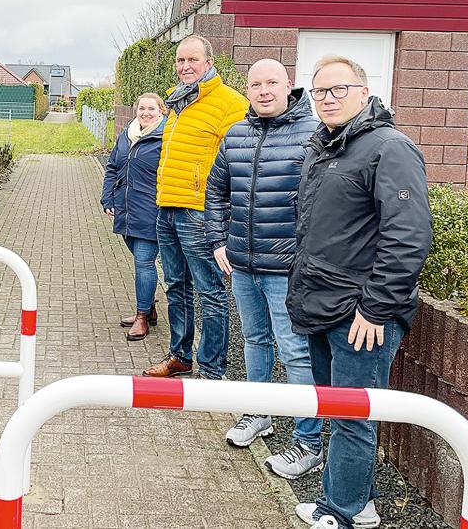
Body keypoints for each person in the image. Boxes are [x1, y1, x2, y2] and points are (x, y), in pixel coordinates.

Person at [286, 56, 432, 529]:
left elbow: (408, 235)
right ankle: (358, 503)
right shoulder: (323, 146)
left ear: (363, 93)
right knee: (337, 406)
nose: (327, 98)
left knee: (353, 415)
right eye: (320, 91)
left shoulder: (389, 148)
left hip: (360, 315)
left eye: (338, 89)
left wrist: (375, 308)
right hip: (322, 305)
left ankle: (339, 512)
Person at [205, 58, 325, 478]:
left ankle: (308, 442)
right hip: (242, 264)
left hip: (286, 270)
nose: (263, 90)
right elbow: (215, 191)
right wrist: (219, 240)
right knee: (255, 342)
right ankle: (259, 415)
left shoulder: (314, 134)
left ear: (288, 85)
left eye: (271, 82)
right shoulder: (235, 134)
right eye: (255, 83)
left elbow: (323, 203)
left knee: (295, 352)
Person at [142, 34, 249, 379]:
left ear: (209, 63)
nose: (185, 66)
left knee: (210, 291)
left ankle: (212, 370)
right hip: (168, 207)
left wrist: (222, 214)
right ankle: (180, 356)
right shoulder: (178, 102)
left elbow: (237, 163)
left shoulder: (230, 103)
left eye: (192, 60)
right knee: (175, 285)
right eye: (180, 60)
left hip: (199, 213)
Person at [100, 92, 167, 341]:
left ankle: (142, 317)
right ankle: (149, 310)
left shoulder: (165, 136)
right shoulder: (126, 136)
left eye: (151, 109)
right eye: (141, 109)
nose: (146, 113)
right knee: (138, 259)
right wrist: (108, 197)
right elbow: (112, 167)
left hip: (151, 210)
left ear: (161, 111)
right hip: (126, 209)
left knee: (144, 263)